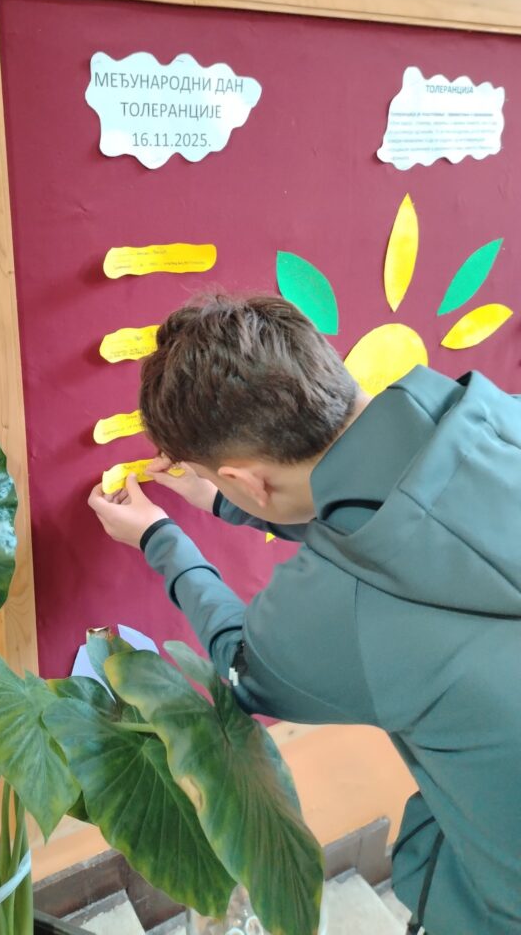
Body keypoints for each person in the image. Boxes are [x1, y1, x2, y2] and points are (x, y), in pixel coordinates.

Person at [88, 293, 521, 935]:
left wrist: (161, 539)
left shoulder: (344, 610)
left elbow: (244, 667)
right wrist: (232, 500)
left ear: (249, 479)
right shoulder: (498, 417)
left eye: (226, 481)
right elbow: (415, 523)